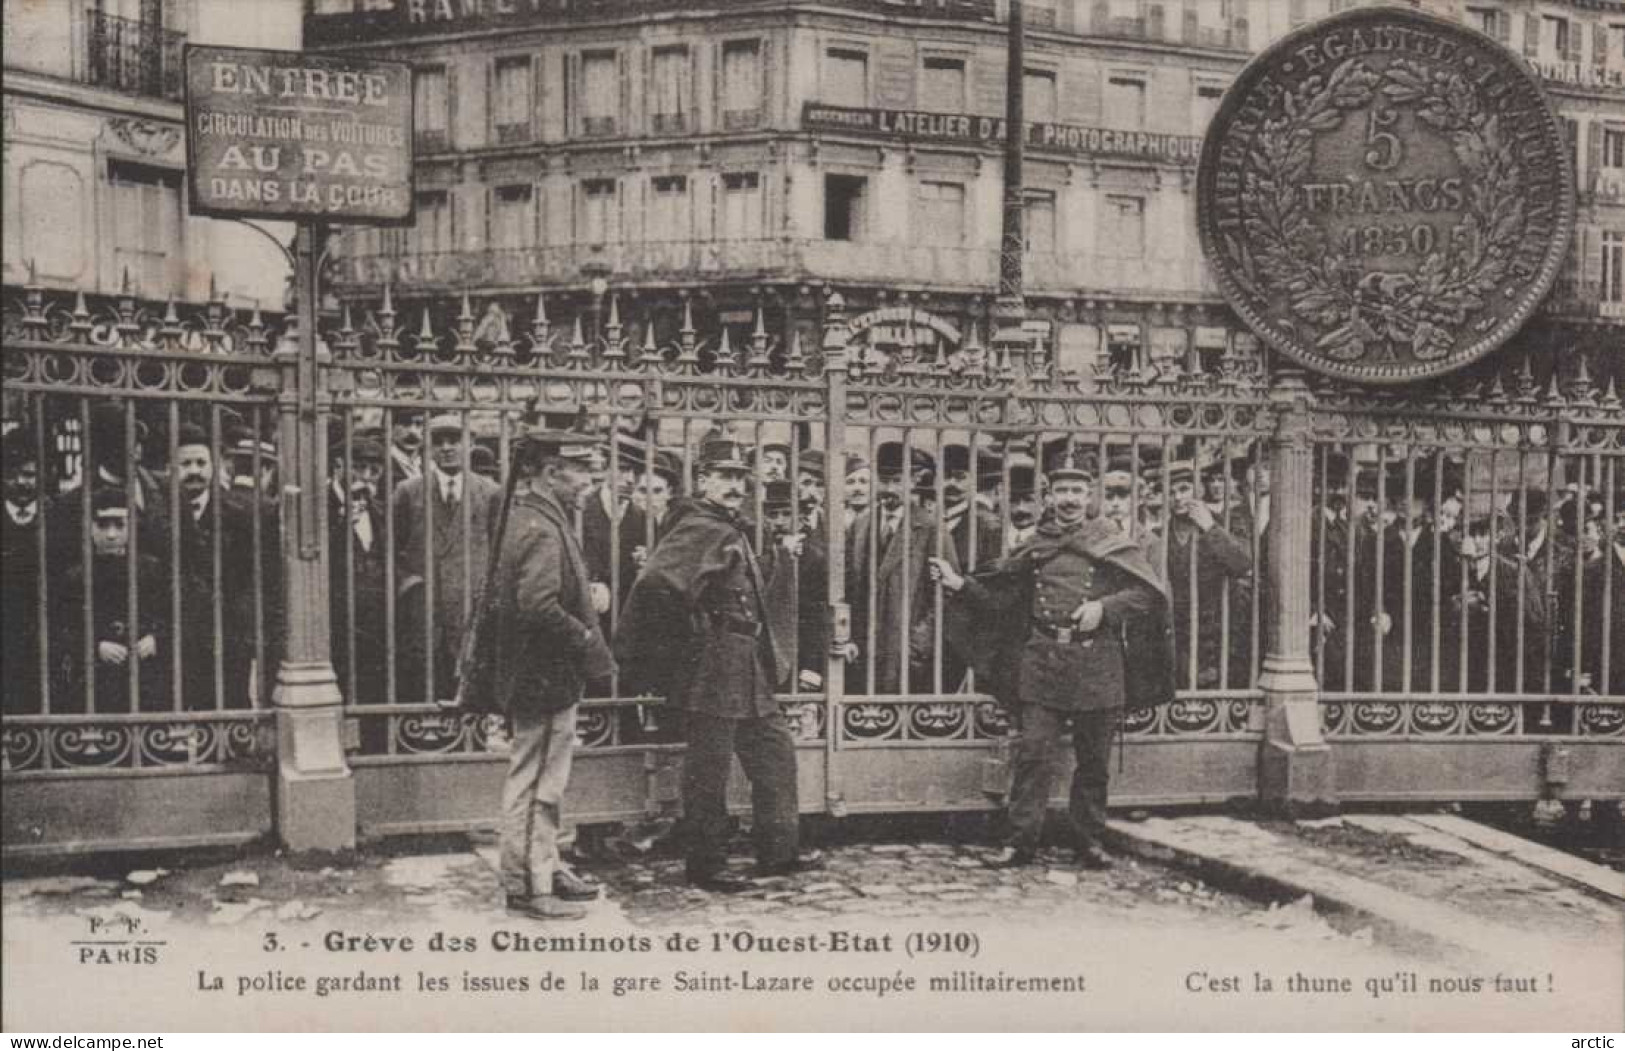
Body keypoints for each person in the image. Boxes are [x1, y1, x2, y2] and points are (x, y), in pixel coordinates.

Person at [933, 454, 1172, 870]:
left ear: (1089, 496)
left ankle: (1089, 840)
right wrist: (960, 585)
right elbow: (1001, 599)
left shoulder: (1110, 540)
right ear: (1050, 496)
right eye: (1062, 491)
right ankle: (1020, 841)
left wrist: (1104, 608)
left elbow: (1148, 595)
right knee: (1033, 755)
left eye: (1077, 492)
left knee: (1093, 761)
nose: (1069, 499)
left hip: (1098, 662)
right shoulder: (1036, 544)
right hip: (1043, 660)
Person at [616, 436, 820, 894]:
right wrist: (691, 630)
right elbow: (655, 581)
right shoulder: (701, 527)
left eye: (739, 478)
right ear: (703, 479)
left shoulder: (726, 525)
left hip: (746, 664)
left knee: (774, 754)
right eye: (724, 477)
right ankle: (706, 865)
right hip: (714, 664)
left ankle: (779, 852)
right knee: (708, 770)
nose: (733, 486)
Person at [487, 428, 614, 921]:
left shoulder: (542, 517)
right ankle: (527, 884)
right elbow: (537, 606)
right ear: (551, 472)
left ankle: (544, 864)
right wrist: (584, 636)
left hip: (542, 673)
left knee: (544, 780)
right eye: (581, 470)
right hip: (543, 674)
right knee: (536, 782)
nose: (590, 479)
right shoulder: (540, 525)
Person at [393, 414, 503, 703]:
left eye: (454, 440)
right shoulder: (408, 492)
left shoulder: (491, 493)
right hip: (424, 610)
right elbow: (391, 549)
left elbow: (501, 551)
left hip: (471, 609)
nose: (446, 448)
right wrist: (410, 586)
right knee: (424, 688)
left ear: (471, 443)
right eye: (438, 441)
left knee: (471, 691)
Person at [173, 423, 281, 710]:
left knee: (229, 710)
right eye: (185, 464)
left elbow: (258, 578)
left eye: (201, 463)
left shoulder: (240, 514)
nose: (194, 470)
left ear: (215, 464)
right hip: (173, 635)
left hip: (226, 636)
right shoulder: (160, 512)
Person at [846, 442, 952, 694]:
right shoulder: (861, 523)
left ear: (914, 480)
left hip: (905, 650)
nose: (889, 489)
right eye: (883, 480)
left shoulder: (930, 528)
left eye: (897, 480)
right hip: (864, 645)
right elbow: (849, 584)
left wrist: (918, 644)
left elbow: (946, 594)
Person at [54, 487, 169, 713]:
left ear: (131, 527)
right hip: (94, 678)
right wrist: (95, 646)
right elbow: (61, 626)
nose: (111, 534)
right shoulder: (75, 576)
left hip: (147, 677)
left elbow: (172, 614)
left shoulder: (151, 569)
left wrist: (157, 640)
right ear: (89, 527)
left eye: (119, 525)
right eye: (102, 525)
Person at [1152, 461, 1253, 690]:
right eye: (1170, 492)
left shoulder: (1226, 523)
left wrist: (1209, 527)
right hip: (1179, 630)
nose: (1177, 498)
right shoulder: (1159, 535)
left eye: (1184, 489)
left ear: (1199, 489)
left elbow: (1243, 563)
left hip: (1220, 629)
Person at [328, 434, 390, 714]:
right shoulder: (319, 505)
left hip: (375, 622)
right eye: (359, 467)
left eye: (374, 470)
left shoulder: (380, 510)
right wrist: (342, 520)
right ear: (338, 466)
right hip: (334, 620)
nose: (366, 477)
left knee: (371, 693)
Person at [2, 429, 44, 714]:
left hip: (41, 625)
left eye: (29, 474)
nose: (21, 482)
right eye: (12, 474)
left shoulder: (57, 515)